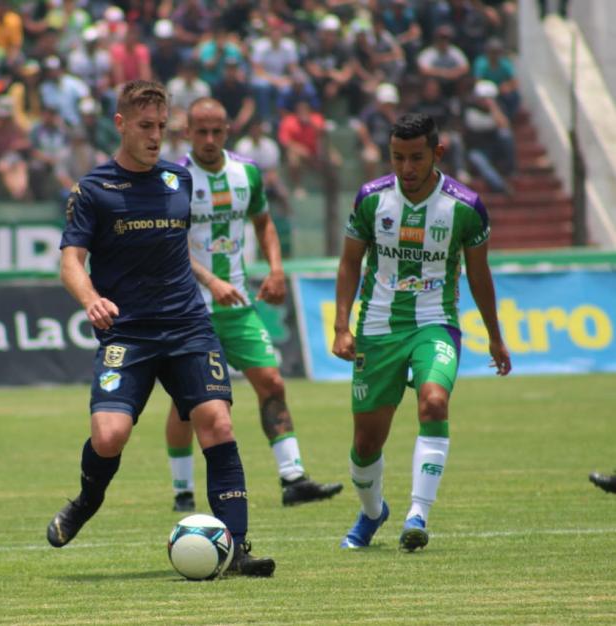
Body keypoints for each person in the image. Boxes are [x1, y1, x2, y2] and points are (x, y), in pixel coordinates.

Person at [47, 80, 275, 577]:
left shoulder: (179, 180)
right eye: (145, 127)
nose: (156, 137)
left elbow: (184, 250)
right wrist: (91, 298)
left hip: (188, 326)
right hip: (128, 334)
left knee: (218, 422)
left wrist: (212, 279)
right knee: (109, 437)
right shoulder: (93, 190)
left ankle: (237, 548)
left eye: (162, 127)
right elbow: (69, 262)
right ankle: (86, 501)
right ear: (122, 124)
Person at [332, 112, 512, 552]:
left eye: (416, 158)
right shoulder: (372, 199)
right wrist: (341, 325)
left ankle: (418, 514)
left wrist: (494, 334)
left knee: (434, 401)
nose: (407, 169)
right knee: (365, 443)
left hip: (437, 324)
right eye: (398, 158)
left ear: (438, 152)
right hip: (376, 328)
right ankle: (373, 512)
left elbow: (479, 274)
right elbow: (350, 262)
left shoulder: (466, 207)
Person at [163, 97, 343, 513]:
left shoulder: (246, 173)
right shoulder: (174, 180)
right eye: (200, 131)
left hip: (238, 305)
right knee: (187, 402)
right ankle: (182, 490)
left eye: (216, 131)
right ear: (187, 133)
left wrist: (276, 270)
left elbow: (264, 224)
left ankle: (293, 478)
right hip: (189, 307)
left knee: (273, 383)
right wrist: (210, 280)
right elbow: (170, 242)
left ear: (227, 130)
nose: (208, 139)